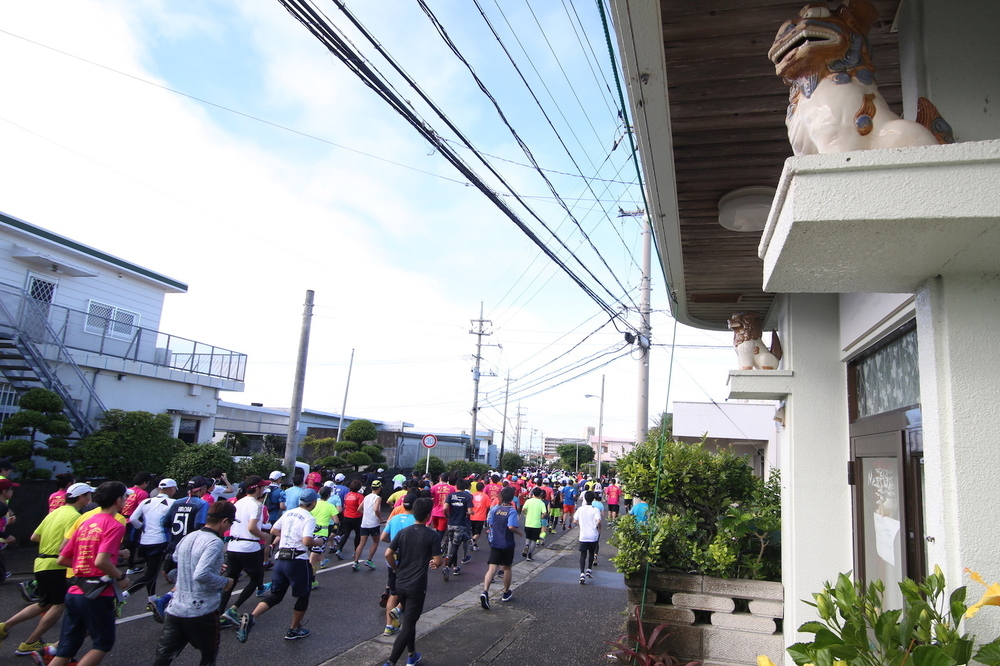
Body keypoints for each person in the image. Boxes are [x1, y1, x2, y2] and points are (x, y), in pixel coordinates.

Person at [43, 481, 130, 666]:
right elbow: (101, 561)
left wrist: (84, 565)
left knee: (67, 647)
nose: (126, 499)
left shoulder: (86, 522)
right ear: (117, 500)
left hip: (75, 590)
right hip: (97, 592)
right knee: (103, 643)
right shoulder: (115, 525)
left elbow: (62, 559)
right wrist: (121, 577)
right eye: (125, 496)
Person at [0, 482, 93, 656]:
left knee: (45, 603)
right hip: (55, 565)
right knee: (59, 604)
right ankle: (30, 642)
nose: (90, 498)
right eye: (89, 495)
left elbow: (35, 536)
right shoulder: (74, 517)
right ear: (81, 497)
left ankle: (5, 626)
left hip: (40, 563)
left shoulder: (55, 512)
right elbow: (65, 547)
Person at [151, 501, 237, 666]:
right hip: (202, 610)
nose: (229, 527)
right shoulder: (214, 542)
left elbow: (176, 559)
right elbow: (201, 574)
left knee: (163, 657)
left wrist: (212, 566)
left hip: (176, 608)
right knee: (208, 655)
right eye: (231, 523)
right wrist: (225, 581)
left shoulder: (189, 536)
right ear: (224, 521)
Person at [237, 489, 324, 643]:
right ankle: (293, 629)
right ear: (314, 503)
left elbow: (274, 530)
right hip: (297, 560)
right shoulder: (309, 518)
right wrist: (318, 542)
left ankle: (252, 617)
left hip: (281, 559)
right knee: (303, 595)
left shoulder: (289, 513)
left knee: (276, 595)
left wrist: (288, 535)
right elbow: (306, 541)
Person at [381, 497, 442, 666]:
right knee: (408, 625)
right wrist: (435, 563)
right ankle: (391, 662)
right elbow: (438, 561)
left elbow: (387, 553)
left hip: (400, 582)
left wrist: (395, 568)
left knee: (410, 619)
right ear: (429, 515)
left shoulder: (403, 532)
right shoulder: (432, 535)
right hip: (417, 585)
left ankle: (412, 654)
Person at [218, 476, 269, 628]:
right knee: (255, 578)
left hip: (233, 545)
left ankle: (219, 613)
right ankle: (233, 609)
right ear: (257, 489)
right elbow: (252, 527)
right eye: (263, 487)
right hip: (249, 546)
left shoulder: (237, 502)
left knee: (230, 580)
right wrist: (264, 536)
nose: (264, 490)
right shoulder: (256, 505)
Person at [127, 478, 178, 611]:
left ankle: (152, 599)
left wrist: (142, 527)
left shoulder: (146, 501)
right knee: (150, 575)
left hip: (144, 541)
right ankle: (122, 597)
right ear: (171, 489)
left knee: (151, 571)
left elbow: (132, 519)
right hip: (160, 541)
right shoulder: (173, 503)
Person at [378, 492, 416, 635]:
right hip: (408, 560)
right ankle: (399, 610)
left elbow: (383, 537)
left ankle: (388, 626)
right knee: (410, 592)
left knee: (393, 592)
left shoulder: (394, 519)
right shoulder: (416, 520)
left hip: (393, 558)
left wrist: (393, 543)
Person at [480, 486, 521, 610]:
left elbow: (490, 523)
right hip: (507, 543)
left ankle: (485, 591)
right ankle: (505, 592)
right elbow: (511, 527)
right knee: (507, 568)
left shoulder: (495, 509)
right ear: (512, 498)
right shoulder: (511, 511)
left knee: (491, 568)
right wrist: (519, 533)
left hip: (495, 541)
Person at [442, 479, 473, 580]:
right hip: (460, 524)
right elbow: (470, 511)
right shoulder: (467, 497)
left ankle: (455, 567)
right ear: (465, 487)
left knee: (452, 543)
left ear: (456, 486)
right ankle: (448, 567)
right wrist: (468, 513)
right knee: (456, 546)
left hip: (451, 523)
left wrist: (447, 515)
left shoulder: (451, 495)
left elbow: (445, 508)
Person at [353, 480, 383, 571]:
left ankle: (356, 562)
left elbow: (359, 509)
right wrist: (380, 518)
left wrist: (366, 514)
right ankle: (369, 560)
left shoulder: (366, 497)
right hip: (374, 523)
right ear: (380, 488)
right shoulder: (377, 498)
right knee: (376, 542)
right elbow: (376, 509)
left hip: (364, 523)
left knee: (362, 543)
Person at [573, 491, 602, 584]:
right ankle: (589, 569)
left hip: (583, 535)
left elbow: (574, 521)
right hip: (593, 535)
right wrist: (597, 527)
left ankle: (582, 573)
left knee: (583, 555)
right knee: (591, 553)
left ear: (585, 498)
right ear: (593, 499)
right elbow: (598, 520)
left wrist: (580, 525)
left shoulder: (581, 509)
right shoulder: (595, 509)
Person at [334, 479, 364, 560]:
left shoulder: (347, 495)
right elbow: (360, 507)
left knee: (346, 534)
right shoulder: (360, 496)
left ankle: (339, 550)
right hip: (356, 517)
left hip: (346, 516)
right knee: (358, 534)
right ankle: (355, 551)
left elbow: (345, 505)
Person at [520, 487, 548, 562]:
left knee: (528, 538)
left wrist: (526, 514)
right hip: (536, 524)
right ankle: (529, 555)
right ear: (540, 494)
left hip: (528, 523)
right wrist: (541, 517)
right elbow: (545, 513)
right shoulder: (541, 503)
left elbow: (523, 509)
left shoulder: (528, 501)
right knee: (533, 540)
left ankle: (526, 546)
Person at [469, 481, 489, 552]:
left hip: (472, 516)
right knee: (478, 533)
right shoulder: (485, 496)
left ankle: (475, 545)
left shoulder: (471, 495)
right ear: (483, 488)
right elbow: (488, 506)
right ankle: (473, 540)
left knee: (473, 531)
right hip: (480, 517)